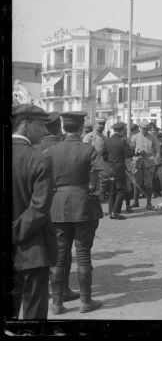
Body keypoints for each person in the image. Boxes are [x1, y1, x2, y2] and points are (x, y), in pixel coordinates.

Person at [47, 111, 114, 314]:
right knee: (83, 254)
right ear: (80, 126)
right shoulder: (88, 150)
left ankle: (57, 305)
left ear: (63, 127)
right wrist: (99, 192)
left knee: (59, 256)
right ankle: (86, 302)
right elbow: (107, 173)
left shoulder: (51, 151)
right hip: (84, 206)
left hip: (57, 207)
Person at [11, 104, 58, 319]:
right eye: (40, 125)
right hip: (32, 252)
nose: (45, 131)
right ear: (24, 125)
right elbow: (38, 209)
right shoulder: (38, 158)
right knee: (34, 318)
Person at [34, 111, 80, 301]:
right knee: (62, 251)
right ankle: (63, 290)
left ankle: (42, 289)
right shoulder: (61, 147)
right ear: (58, 128)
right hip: (59, 206)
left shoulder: (35, 147)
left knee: (40, 248)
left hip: (37, 206)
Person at [105, 122, 134, 219]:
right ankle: (115, 212)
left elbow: (102, 154)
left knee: (112, 190)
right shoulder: (121, 141)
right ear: (121, 130)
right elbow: (129, 154)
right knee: (121, 190)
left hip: (110, 168)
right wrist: (133, 149)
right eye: (124, 129)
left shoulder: (108, 140)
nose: (125, 131)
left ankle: (110, 211)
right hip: (119, 169)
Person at [130, 119, 160, 210]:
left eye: (147, 129)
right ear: (140, 128)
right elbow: (130, 149)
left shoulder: (152, 137)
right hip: (137, 162)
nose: (145, 130)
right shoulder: (134, 137)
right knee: (137, 183)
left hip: (149, 163)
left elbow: (158, 149)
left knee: (148, 184)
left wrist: (156, 158)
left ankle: (149, 203)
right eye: (143, 128)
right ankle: (135, 202)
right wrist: (137, 151)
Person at [83, 117, 109, 198]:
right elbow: (84, 153)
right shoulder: (89, 137)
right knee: (90, 188)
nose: (101, 126)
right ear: (95, 124)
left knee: (99, 191)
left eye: (103, 124)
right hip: (90, 168)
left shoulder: (105, 138)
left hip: (101, 168)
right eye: (99, 124)